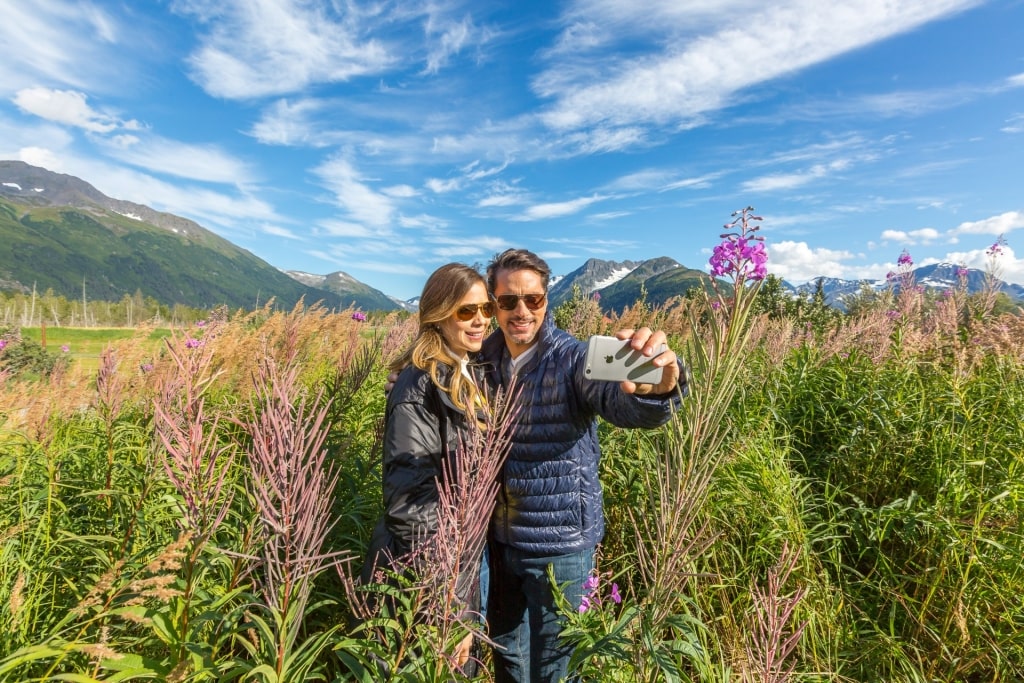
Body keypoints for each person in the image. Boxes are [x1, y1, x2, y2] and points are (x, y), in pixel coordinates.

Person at [480, 248, 685, 683]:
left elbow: (620, 402)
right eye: (508, 301)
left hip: (561, 546)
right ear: (493, 303)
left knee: (558, 669)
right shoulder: (483, 357)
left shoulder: (574, 358)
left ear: (546, 301)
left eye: (532, 300)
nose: (521, 311)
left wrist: (658, 390)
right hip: (499, 540)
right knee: (508, 659)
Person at [360, 262, 497, 671]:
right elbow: (410, 504)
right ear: (438, 315)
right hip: (431, 573)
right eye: (465, 311)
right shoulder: (420, 385)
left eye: (486, 309)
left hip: (465, 556)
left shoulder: (468, 371)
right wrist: (447, 605)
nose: (480, 321)